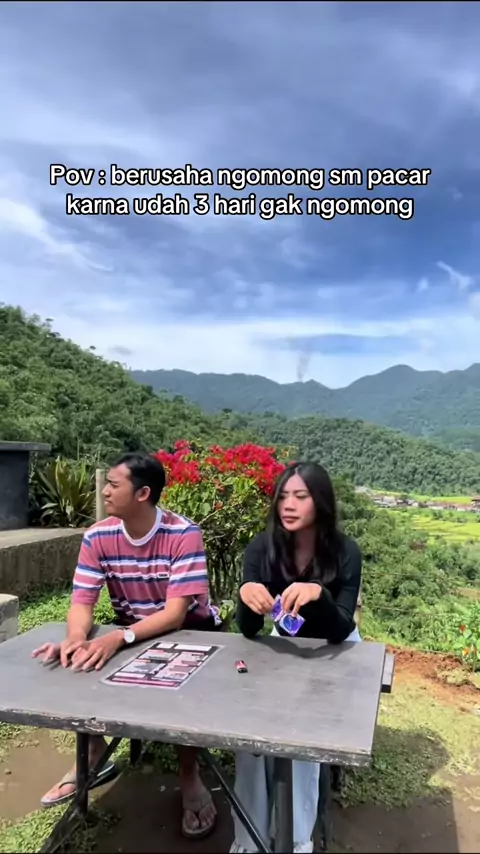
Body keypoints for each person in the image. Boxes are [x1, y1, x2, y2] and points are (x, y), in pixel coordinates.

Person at [32, 451, 219, 840]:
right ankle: (93, 754)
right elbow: (82, 602)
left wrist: (119, 637)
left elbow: (176, 615)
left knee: (183, 698)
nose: (104, 491)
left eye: (113, 485)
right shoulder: (98, 536)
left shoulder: (183, 534)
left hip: (192, 633)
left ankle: (189, 775)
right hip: (130, 631)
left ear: (142, 493)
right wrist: (75, 638)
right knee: (77, 660)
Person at [230, 461, 362, 854]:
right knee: (250, 740)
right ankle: (248, 842)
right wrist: (246, 598)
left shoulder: (345, 552)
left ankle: (296, 842)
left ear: (320, 501)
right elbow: (249, 630)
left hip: (336, 651)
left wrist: (319, 595)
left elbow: (341, 628)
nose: (288, 504)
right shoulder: (262, 548)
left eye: (300, 496)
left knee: (303, 742)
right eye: (283, 496)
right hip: (284, 648)